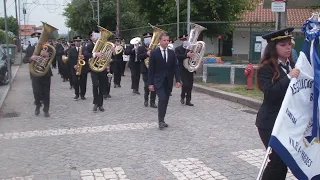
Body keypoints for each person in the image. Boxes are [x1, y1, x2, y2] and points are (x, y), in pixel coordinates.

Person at [256, 27, 300, 180]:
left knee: (283, 162)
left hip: (287, 122)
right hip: (269, 122)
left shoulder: (292, 65)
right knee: (276, 160)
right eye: (283, 45)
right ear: (273, 47)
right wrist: (288, 77)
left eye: (289, 44)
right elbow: (270, 94)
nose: (288, 48)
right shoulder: (266, 68)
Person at [148, 33, 181, 129]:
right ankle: (160, 121)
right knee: (162, 98)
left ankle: (162, 119)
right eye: (164, 40)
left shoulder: (171, 53)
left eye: (168, 40)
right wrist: (150, 83)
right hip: (158, 81)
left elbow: (175, 67)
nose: (166, 42)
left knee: (165, 100)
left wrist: (178, 80)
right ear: (159, 41)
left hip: (168, 81)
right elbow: (151, 70)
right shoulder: (154, 53)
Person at [29, 32, 53, 117]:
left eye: (41, 37)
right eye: (38, 38)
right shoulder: (31, 48)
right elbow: (25, 59)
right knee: (36, 92)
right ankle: (38, 106)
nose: (40, 39)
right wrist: (31, 58)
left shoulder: (48, 48)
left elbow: (53, 61)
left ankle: (46, 110)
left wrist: (48, 56)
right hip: (35, 74)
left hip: (46, 74)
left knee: (46, 93)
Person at [85, 30, 110, 111]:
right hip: (93, 68)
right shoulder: (89, 45)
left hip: (102, 68)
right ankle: (95, 103)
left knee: (102, 86)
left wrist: (106, 55)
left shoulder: (104, 45)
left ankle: (100, 104)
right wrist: (95, 54)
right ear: (91, 37)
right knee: (95, 85)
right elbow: (85, 54)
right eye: (93, 35)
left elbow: (107, 55)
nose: (95, 37)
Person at [175, 34, 195, 106]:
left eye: (185, 39)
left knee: (190, 85)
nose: (184, 41)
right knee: (185, 84)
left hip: (190, 68)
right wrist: (186, 55)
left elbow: (195, 57)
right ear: (180, 41)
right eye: (182, 40)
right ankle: (182, 96)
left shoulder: (192, 48)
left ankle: (188, 100)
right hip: (182, 69)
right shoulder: (178, 49)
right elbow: (177, 57)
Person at [138, 32, 157, 108]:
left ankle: (152, 102)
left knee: (154, 85)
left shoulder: (155, 47)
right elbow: (139, 57)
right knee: (147, 85)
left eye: (149, 37)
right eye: (146, 38)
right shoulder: (141, 48)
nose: (148, 39)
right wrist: (146, 54)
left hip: (154, 69)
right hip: (145, 69)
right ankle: (146, 99)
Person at [68, 36, 89, 100]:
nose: (78, 42)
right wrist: (73, 65)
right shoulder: (71, 50)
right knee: (75, 81)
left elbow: (88, 56)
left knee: (83, 82)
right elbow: (69, 60)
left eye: (79, 41)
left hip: (83, 68)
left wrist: (84, 56)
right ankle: (76, 94)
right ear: (74, 42)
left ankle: (82, 94)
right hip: (75, 68)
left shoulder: (85, 49)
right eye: (76, 41)